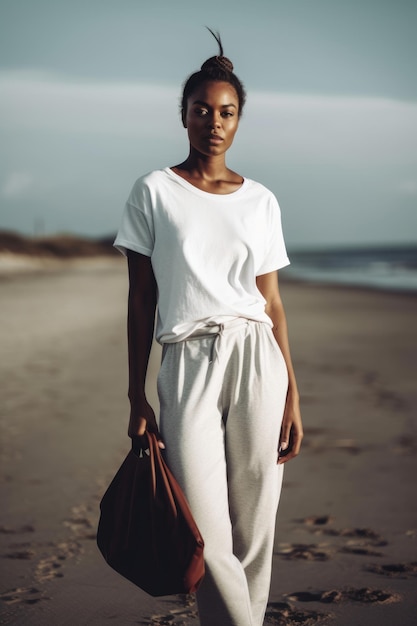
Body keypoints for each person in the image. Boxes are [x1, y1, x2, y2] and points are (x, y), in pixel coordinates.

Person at [114, 29, 303, 626]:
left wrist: (293, 393)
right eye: (202, 110)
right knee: (206, 530)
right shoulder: (153, 192)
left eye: (226, 112)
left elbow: (271, 303)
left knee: (254, 527)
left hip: (256, 359)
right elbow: (141, 297)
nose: (213, 122)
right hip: (188, 360)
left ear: (239, 119)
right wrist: (135, 393)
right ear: (184, 116)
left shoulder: (262, 201)